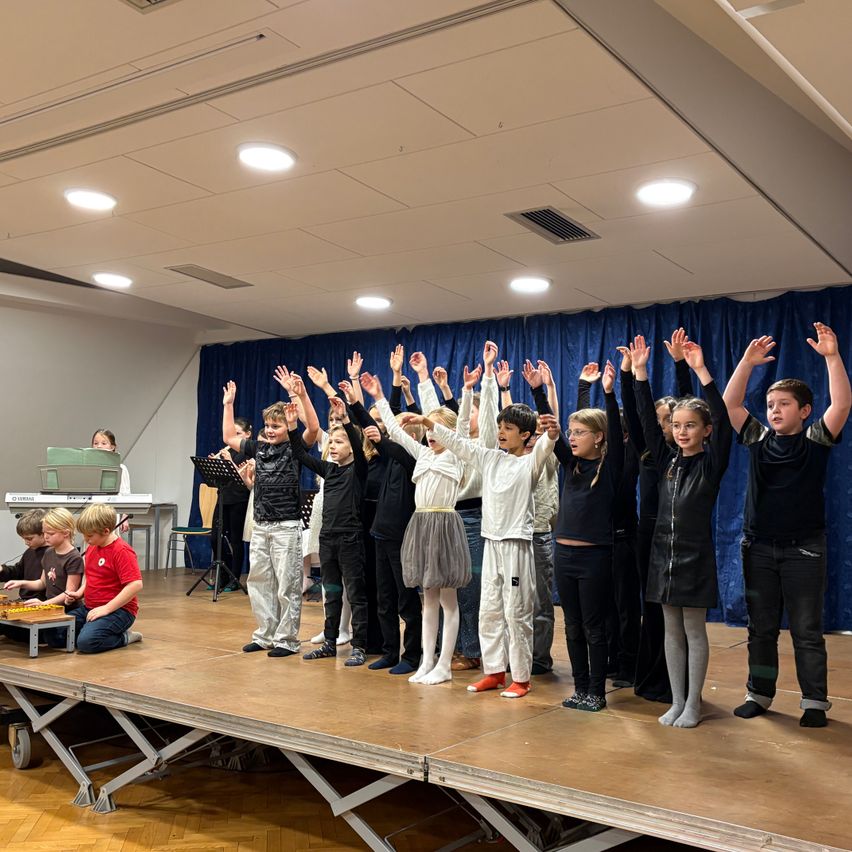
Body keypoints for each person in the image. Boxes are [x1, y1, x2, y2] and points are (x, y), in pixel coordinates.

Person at [723, 323, 850, 728]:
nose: (775, 409)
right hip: (758, 549)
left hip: (804, 550)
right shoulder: (758, 439)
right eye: (772, 403)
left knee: (807, 630)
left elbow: (842, 405)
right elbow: (731, 402)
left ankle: (814, 702)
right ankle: (759, 693)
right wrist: (746, 362)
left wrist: (831, 357)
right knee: (760, 629)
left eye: (784, 404)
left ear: (805, 411)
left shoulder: (815, 439)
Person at [404, 369, 557, 699]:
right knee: (489, 610)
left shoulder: (531, 462)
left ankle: (521, 678)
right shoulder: (490, 458)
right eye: (500, 427)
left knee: (516, 612)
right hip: (491, 543)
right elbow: (458, 442)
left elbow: (549, 438)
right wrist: (430, 424)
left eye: (509, 429)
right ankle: (494, 671)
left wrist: (545, 408)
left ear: (526, 435)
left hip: (517, 546)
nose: (501, 433)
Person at [632, 334, 732, 728]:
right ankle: (675, 701)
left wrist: (701, 372)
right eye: (677, 426)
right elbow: (645, 422)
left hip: (694, 556)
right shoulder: (667, 460)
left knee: (693, 630)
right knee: (670, 631)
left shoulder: (710, 464)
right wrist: (640, 374)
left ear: (705, 431)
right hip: (663, 553)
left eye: (691, 425)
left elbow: (722, 419)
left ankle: (694, 702)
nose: (682, 431)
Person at [359, 370, 469, 685]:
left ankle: (445, 664)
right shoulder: (421, 453)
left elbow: (460, 427)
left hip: (444, 524)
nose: (430, 434)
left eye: (436, 429)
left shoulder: (456, 455)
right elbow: (393, 430)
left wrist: (470, 389)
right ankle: (427, 660)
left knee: (448, 600)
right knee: (428, 598)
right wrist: (379, 395)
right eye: (428, 429)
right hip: (420, 525)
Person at [529, 360, 625, 712]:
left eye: (580, 432)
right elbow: (552, 432)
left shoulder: (610, 467)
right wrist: (539, 392)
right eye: (572, 432)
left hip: (595, 558)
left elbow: (613, 425)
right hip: (565, 557)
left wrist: (611, 393)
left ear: (599, 437)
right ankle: (580, 687)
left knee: (593, 626)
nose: (572, 437)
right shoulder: (571, 465)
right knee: (571, 626)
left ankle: (597, 691)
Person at [411, 343, 499, 672]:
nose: (466, 412)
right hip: (442, 517)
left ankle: (471, 650)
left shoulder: (481, 444)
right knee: (437, 588)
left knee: (468, 586)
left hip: (472, 516)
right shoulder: (445, 445)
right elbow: (435, 419)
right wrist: (422, 377)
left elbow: (478, 417)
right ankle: (444, 652)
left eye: (470, 409)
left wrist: (486, 379)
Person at [223, 368, 319, 658]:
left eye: (275, 426)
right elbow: (229, 436)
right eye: (267, 425)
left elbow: (312, 428)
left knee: (288, 585)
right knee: (260, 581)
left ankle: (286, 639)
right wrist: (229, 404)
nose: (270, 430)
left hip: (286, 525)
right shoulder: (258, 447)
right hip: (262, 525)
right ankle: (265, 634)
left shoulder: (294, 447)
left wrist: (298, 394)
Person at [619, 329, 693, 703]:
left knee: (677, 616)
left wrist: (680, 364)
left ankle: (678, 682)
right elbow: (638, 414)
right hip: (647, 537)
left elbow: (689, 404)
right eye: (664, 421)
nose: (666, 426)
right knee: (652, 612)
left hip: (677, 537)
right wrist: (631, 373)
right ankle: (650, 676)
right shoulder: (651, 454)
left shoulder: (682, 456)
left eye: (671, 420)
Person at [286, 397, 371, 667]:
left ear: (351, 447)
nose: (333, 447)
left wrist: (345, 419)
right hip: (329, 539)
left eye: (340, 442)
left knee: (356, 594)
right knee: (331, 592)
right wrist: (291, 428)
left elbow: (359, 446)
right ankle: (330, 643)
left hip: (351, 538)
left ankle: (359, 646)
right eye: (331, 442)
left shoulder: (358, 469)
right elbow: (300, 454)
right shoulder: (329, 469)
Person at [495, 357, 560, 677]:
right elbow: (509, 422)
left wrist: (549, 388)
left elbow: (552, 424)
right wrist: (504, 388)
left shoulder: (544, 456)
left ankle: (539, 658)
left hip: (537, 535)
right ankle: (514, 654)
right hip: (511, 537)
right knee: (509, 601)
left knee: (539, 604)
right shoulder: (510, 458)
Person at [578, 359, 641, 688]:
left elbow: (621, 426)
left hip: (623, 540)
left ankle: (629, 663)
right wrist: (584, 388)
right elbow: (580, 427)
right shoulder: (591, 463)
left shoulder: (627, 457)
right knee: (603, 610)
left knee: (626, 607)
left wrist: (615, 389)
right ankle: (613, 659)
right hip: (599, 544)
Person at [67, 504, 143, 653]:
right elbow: (91, 575)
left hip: (120, 611)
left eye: (90, 535)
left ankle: (125, 637)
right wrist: (80, 592)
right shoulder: (92, 547)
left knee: (86, 643)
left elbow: (135, 584)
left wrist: (107, 608)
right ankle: (91, 629)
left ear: (106, 531)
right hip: (90, 607)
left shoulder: (121, 551)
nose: (86, 539)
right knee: (55, 632)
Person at [210, 418, 252, 592]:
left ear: (248, 435)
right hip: (223, 499)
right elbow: (217, 479)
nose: (234, 438)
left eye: (238, 434)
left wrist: (228, 462)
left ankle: (235, 578)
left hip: (239, 500)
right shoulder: (228, 452)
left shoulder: (249, 452)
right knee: (215, 539)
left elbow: (243, 479)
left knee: (235, 540)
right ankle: (223, 575)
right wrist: (214, 465)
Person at [0, 510, 48, 642]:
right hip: (25, 603)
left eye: (29, 538)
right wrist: (2, 570)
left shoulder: (52, 554)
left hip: (39, 606)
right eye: (23, 538)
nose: (26, 542)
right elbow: (17, 571)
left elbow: (46, 585)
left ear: (44, 533)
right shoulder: (30, 552)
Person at [91, 429, 131, 496]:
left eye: (104, 443)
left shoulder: (121, 468)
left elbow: (125, 495)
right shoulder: (88, 467)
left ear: (112, 447)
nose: (99, 446)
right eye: (96, 443)